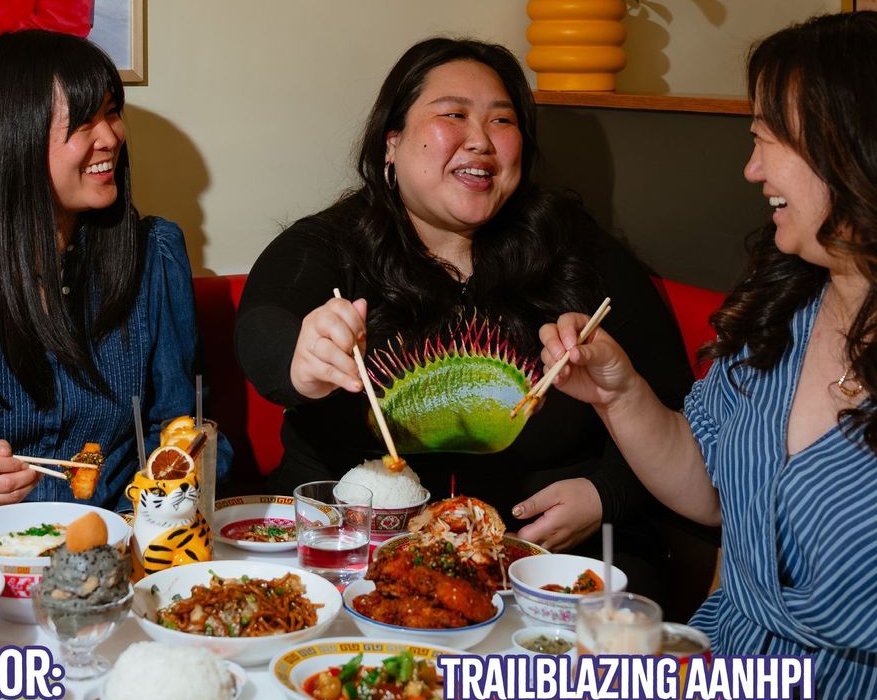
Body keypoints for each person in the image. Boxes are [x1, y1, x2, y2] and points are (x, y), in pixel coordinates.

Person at [538, 11, 877, 700]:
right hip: (710, 691)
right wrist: (619, 394)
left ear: (848, 145)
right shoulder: (785, 308)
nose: (752, 170)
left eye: (767, 140)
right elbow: (712, 490)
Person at [235, 37, 692, 585]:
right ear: (392, 142)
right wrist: (301, 362)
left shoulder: (576, 250)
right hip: (352, 556)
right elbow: (263, 326)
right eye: (453, 114)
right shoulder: (330, 246)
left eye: (502, 121)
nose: (480, 141)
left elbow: (675, 404)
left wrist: (606, 493)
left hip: (548, 564)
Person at [0, 31, 223, 545]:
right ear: (11, 138)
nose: (111, 138)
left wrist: (155, 507)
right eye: (83, 122)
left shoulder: (151, 256)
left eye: (112, 112)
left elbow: (179, 426)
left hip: (121, 551)